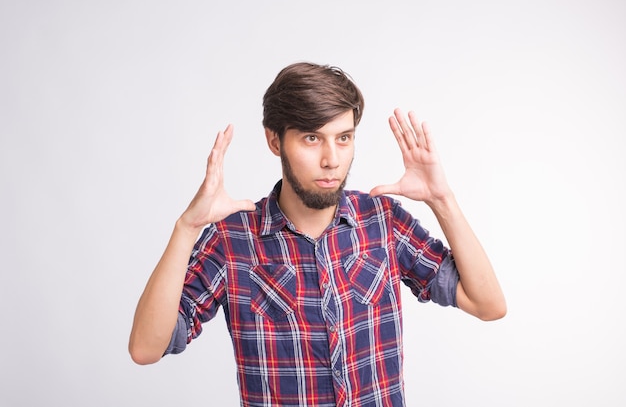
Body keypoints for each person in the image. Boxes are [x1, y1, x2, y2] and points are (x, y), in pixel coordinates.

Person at [129, 62, 506, 406]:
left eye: (343, 138)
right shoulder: (234, 239)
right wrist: (187, 227)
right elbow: (147, 348)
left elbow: (488, 304)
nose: (332, 159)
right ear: (275, 141)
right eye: (312, 138)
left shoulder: (382, 221)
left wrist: (442, 200)